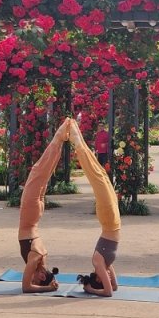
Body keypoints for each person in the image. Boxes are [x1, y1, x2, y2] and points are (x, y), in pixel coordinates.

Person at [18, 119, 70, 293]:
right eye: (36, 279)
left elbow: (32, 281)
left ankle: (61, 140)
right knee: (39, 171)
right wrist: (47, 288)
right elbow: (26, 287)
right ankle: (58, 138)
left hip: (35, 216)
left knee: (44, 173)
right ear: (40, 276)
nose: (31, 276)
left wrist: (50, 282)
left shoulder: (42, 259)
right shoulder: (35, 258)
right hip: (31, 217)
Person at [69, 120, 120, 297]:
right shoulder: (105, 266)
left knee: (96, 176)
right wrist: (104, 279)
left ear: (97, 279)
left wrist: (88, 289)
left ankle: (77, 141)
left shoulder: (98, 263)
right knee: (101, 174)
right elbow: (114, 287)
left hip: (108, 219)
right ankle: (79, 140)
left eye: (103, 278)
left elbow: (108, 292)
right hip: (113, 220)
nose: (108, 276)